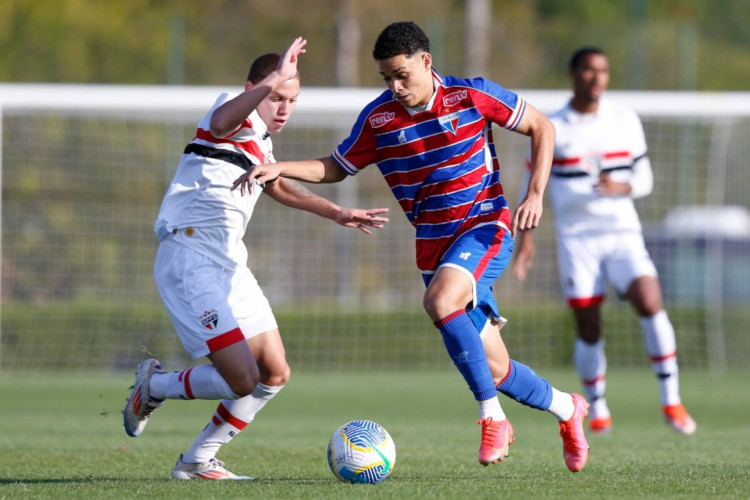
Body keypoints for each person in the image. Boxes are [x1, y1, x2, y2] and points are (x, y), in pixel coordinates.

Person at [233, 22, 590, 472]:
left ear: (426, 61)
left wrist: (534, 193)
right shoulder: (378, 118)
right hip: (432, 246)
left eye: (402, 74)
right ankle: (567, 408)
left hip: (485, 226)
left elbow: (542, 127)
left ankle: (491, 419)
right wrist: (278, 166)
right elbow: (337, 167)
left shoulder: (471, 95)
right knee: (495, 369)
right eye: (386, 78)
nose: (395, 86)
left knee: (440, 301)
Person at [122, 37, 390, 480]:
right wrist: (272, 81)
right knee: (241, 379)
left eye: (293, 100)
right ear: (257, 87)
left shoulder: (261, 143)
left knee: (274, 372)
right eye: (278, 97)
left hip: (228, 264)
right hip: (189, 257)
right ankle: (154, 386)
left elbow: (279, 185)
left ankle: (196, 461)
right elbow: (227, 120)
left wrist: (338, 212)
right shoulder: (229, 111)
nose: (284, 107)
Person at [513, 47, 696, 435]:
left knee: (650, 303)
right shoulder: (554, 125)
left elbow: (645, 180)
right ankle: (596, 408)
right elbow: (531, 187)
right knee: (589, 327)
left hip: (622, 235)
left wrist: (621, 185)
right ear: (574, 74)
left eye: (604, 71)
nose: (597, 78)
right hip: (576, 240)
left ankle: (672, 401)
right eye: (590, 70)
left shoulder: (624, 120)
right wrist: (525, 242)